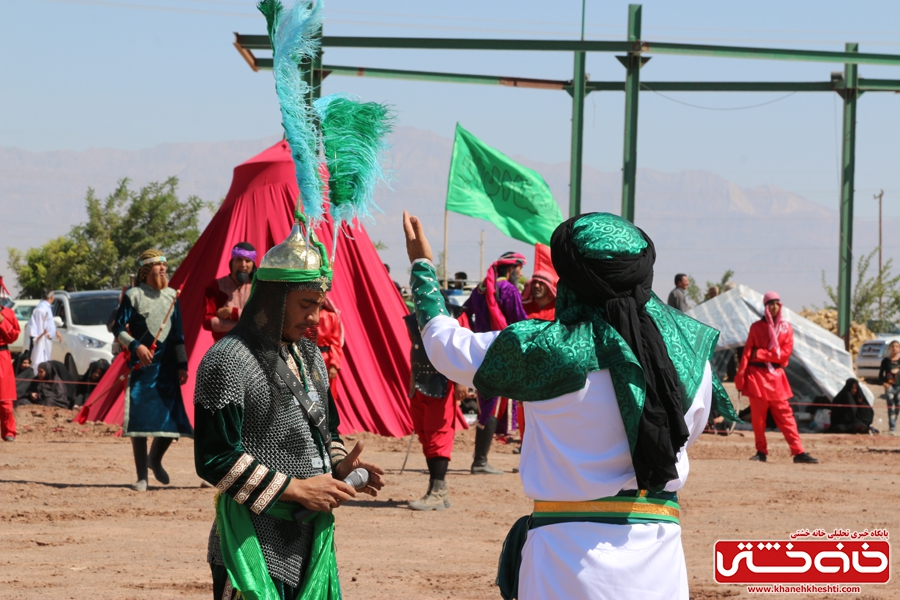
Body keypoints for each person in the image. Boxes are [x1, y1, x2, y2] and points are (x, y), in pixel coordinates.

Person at [403, 210, 739, 600]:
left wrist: (423, 267)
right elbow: (683, 435)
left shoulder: (540, 349)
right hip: (659, 559)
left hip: (563, 562)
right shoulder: (687, 355)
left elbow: (443, 344)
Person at [194, 218, 385, 599]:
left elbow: (325, 432)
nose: (314, 318)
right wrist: (296, 489)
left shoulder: (311, 355)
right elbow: (214, 458)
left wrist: (339, 466)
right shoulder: (227, 360)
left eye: (318, 305)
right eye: (305, 305)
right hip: (252, 540)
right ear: (274, 299)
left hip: (309, 537)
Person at [113, 249, 193, 492]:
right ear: (147, 270)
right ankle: (141, 476)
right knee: (139, 423)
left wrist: (182, 365)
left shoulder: (172, 296)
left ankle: (155, 459)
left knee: (174, 420)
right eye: (158, 265)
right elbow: (117, 327)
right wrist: (136, 347)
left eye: (165, 265)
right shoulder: (134, 295)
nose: (163, 269)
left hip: (168, 370)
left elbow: (178, 334)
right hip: (143, 367)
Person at [461, 251, 528, 474]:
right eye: (519, 269)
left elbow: (465, 312)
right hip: (499, 352)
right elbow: (520, 321)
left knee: (485, 401)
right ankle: (479, 461)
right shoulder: (508, 290)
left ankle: (480, 459)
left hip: (479, 350)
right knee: (492, 404)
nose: (520, 274)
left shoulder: (480, 288)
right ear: (511, 269)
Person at [735, 291, 818, 463]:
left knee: (786, 416)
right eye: (770, 303)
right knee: (758, 420)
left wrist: (762, 354)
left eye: (776, 303)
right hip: (756, 377)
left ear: (780, 306)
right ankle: (761, 452)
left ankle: (798, 451)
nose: (773, 307)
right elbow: (747, 353)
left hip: (776, 379)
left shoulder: (786, 329)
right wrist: (740, 376)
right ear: (765, 307)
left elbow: (783, 356)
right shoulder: (756, 327)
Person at [404, 312, 466, 511]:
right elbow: (416, 348)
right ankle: (437, 489)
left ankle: (438, 492)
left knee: (438, 435)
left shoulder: (451, 314)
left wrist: (461, 381)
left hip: (442, 383)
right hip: (420, 383)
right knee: (424, 434)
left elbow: (460, 348)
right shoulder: (414, 316)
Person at [203, 242, 256, 342]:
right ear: (232, 262)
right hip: (223, 348)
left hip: (251, 348)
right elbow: (207, 321)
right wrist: (246, 324)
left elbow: (260, 320)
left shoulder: (258, 288)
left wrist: (233, 312)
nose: (243, 264)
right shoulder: (215, 287)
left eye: (247, 260)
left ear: (253, 264)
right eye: (239, 259)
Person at [0, 302, 20, 441]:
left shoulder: (8, 313)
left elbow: (13, 336)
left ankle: (9, 431)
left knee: (5, 398)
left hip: (2, 357)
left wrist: (2, 321)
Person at [316, 298, 344, 401]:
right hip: (309, 357)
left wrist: (334, 365)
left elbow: (336, 343)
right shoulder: (307, 316)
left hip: (326, 359)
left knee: (328, 394)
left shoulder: (330, 316)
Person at [27, 289, 62, 366]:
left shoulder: (47, 307)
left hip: (46, 340)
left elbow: (49, 322)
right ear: (52, 297)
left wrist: (56, 331)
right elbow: (39, 327)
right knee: (40, 363)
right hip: (42, 342)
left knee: (46, 362)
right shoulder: (41, 309)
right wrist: (42, 337)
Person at [878, 340, 900, 433]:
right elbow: (880, 375)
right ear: (889, 348)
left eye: (896, 346)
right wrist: (884, 383)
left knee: (898, 406)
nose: (894, 348)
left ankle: (894, 422)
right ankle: (892, 427)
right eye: (892, 346)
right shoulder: (885, 361)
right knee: (891, 406)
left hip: (899, 387)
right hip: (889, 387)